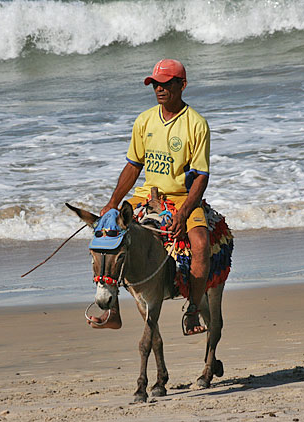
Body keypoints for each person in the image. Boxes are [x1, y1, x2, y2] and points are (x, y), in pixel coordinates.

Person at [90, 58, 211, 335]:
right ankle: (113, 311)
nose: (159, 89)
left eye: (166, 84)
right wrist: (112, 203)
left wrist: (183, 213)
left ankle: (192, 310)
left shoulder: (196, 124)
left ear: (182, 85)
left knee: (201, 244)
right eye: (155, 84)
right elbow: (133, 166)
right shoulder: (144, 121)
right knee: (108, 233)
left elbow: (201, 176)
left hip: (182, 198)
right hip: (146, 196)